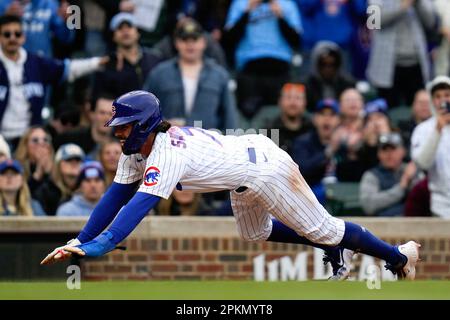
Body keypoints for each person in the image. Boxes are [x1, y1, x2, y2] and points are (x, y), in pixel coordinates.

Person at [41, 90, 420, 282]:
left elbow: (135, 208)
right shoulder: (136, 149)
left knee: (328, 228)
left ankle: (399, 256)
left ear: (142, 125)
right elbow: (115, 196)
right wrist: (80, 239)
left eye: (123, 126)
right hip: (242, 172)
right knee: (255, 233)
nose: (117, 133)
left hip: (264, 169)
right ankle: (336, 247)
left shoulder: (165, 154)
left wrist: (98, 246)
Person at [0, 15, 108, 149]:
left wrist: (97, 63)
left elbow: (69, 69)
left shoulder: (36, 63)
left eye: (17, 33)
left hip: (29, 139)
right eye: (6, 34)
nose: (12, 38)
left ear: (23, 37)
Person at [144, 18, 237, 131]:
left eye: (195, 39)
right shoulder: (159, 73)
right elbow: (146, 111)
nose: (190, 44)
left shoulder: (219, 75)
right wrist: (165, 126)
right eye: (184, 39)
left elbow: (229, 116)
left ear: (203, 42)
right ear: (176, 43)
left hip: (208, 144)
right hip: (169, 143)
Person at [224, 0, 302, 119]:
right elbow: (229, 40)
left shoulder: (287, 4)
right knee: (248, 115)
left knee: (279, 118)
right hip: (249, 69)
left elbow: (296, 41)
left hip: (280, 68)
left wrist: (281, 17)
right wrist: (246, 12)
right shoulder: (240, 3)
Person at [366, 0, 437, 108]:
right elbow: (373, 22)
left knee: (419, 109)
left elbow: (430, 23)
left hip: (416, 64)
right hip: (387, 67)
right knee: (389, 109)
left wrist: (418, 3)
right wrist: (403, 6)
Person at [91, 13, 161, 105]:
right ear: (113, 36)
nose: (125, 31)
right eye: (120, 28)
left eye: (129, 26)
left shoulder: (155, 59)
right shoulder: (107, 64)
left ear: (138, 33)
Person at [411, 76, 450, 217]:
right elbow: (422, 163)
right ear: (433, 101)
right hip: (441, 207)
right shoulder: (422, 129)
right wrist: (438, 130)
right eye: (438, 96)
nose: (443, 100)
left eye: (447, 95)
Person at [360, 133, 421, 216]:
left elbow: (423, 201)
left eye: (393, 149)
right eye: (384, 149)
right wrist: (401, 187)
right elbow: (369, 206)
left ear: (403, 151)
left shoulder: (412, 170)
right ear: (378, 154)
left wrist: (412, 180)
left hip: (414, 224)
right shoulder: (371, 175)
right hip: (383, 225)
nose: (389, 154)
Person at [291, 99, 340, 203]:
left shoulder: (345, 143)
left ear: (339, 120)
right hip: (309, 197)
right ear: (315, 119)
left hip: (341, 194)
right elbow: (301, 171)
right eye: (322, 114)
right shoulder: (303, 142)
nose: (327, 119)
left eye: (332, 115)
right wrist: (327, 153)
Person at [0, 0, 75, 57]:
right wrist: (5, 18)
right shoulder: (3, 4)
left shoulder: (49, 4)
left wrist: (67, 21)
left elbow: (66, 38)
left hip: (43, 64)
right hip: (11, 65)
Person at [53, 94, 114, 159]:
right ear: (92, 114)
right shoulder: (69, 139)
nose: (106, 118)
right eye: (102, 113)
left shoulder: (122, 146)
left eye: (111, 114)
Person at [33, 143, 85, 215]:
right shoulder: (46, 191)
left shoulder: (87, 191)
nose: (74, 163)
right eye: (69, 160)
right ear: (58, 164)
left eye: (78, 160)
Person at [305, 41, 356, 111]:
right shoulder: (307, 85)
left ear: (338, 65)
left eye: (332, 64)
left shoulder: (348, 85)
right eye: (323, 64)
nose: (328, 69)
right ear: (316, 65)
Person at [265, 83, 312, 155]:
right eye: (288, 97)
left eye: (298, 98)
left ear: (305, 103)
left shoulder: (313, 130)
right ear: (280, 102)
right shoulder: (270, 132)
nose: (293, 102)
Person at [14, 126, 54, 193]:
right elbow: (21, 195)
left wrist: (49, 172)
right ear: (26, 145)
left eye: (45, 140)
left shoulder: (58, 165)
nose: (41, 143)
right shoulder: (17, 166)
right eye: (35, 140)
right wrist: (38, 174)